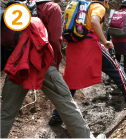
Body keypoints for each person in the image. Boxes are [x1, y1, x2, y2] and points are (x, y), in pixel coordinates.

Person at [0, 0, 96, 138]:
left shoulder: (22, 6)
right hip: (42, 65)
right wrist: (54, 66)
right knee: (66, 104)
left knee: (7, 111)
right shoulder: (51, 8)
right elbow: (55, 41)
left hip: (18, 65)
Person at [49, 0, 126, 126]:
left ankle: (57, 115)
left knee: (71, 82)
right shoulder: (98, 7)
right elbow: (94, 21)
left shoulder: (82, 8)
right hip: (89, 46)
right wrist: (105, 42)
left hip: (73, 47)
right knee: (116, 68)